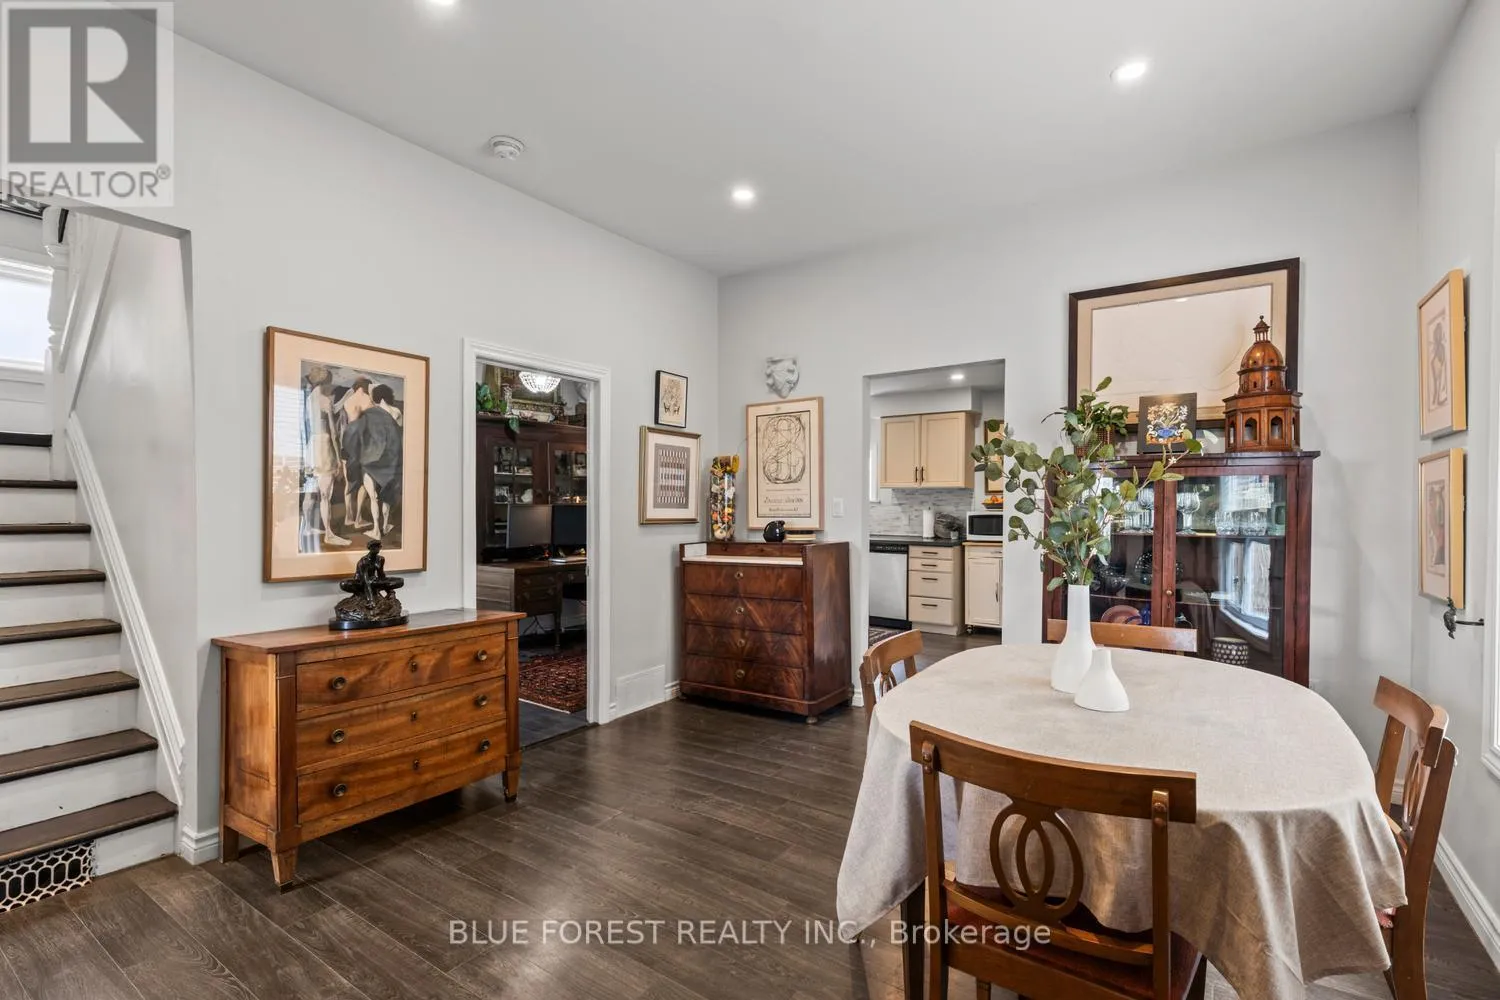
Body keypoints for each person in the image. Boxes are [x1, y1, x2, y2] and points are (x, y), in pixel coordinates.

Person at [343, 379, 403, 541]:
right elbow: (397, 438)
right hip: (389, 460)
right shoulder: (394, 412)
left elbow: (356, 438)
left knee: (373, 497)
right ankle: (385, 526)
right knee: (386, 496)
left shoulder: (365, 415)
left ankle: (376, 529)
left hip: (370, 461)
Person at [301, 366, 351, 549]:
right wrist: (338, 458)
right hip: (324, 445)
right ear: (325, 381)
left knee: (310, 490)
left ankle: (306, 527)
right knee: (325, 495)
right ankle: (329, 534)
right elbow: (334, 432)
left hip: (312, 445)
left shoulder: (309, 399)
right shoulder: (325, 400)